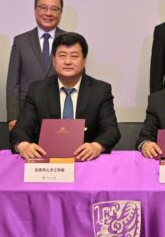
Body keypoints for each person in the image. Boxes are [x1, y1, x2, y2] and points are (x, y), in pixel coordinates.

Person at [10, 32, 120, 162]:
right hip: (46, 161)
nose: (68, 62)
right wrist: (24, 146)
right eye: (62, 56)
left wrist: (96, 146)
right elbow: (20, 129)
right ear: (54, 60)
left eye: (74, 56)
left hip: (86, 161)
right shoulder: (37, 90)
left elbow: (111, 130)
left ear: (84, 60)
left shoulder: (101, 90)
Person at [6, 0, 65, 131]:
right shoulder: (21, 41)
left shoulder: (70, 40)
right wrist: (13, 116)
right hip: (27, 114)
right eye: (43, 7)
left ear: (60, 13)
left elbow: (79, 80)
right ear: (35, 10)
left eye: (54, 9)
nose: (48, 13)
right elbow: (13, 82)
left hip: (62, 114)